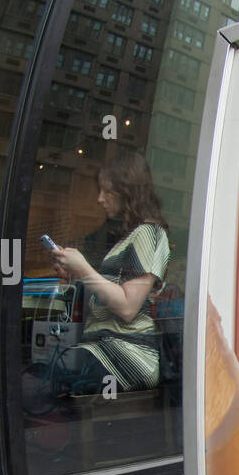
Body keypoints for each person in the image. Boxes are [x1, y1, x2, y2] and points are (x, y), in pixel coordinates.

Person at [49, 150, 170, 395]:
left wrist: (83, 268)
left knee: (48, 374)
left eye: (106, 191)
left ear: (127, 192)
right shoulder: (128, 237)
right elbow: (112, 290)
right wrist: (75, 274)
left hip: (129, 354)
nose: (100, 199)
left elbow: (127, 306)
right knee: (49, 368)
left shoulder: (150, 234)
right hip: (104, 348)